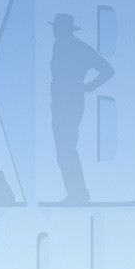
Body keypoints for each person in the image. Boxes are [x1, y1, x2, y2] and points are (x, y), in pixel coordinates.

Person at [48, 13, 114, 204]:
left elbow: (108, 70)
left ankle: (79, 194)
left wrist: (87, 87)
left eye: (57, 28)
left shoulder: (79, 48)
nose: (55, 31)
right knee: (63, 150)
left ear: (65, 30)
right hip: (60, 102)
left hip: (70, 103)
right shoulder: (58, 46)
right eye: (55, 27)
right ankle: (76, 193)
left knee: (66, 148)